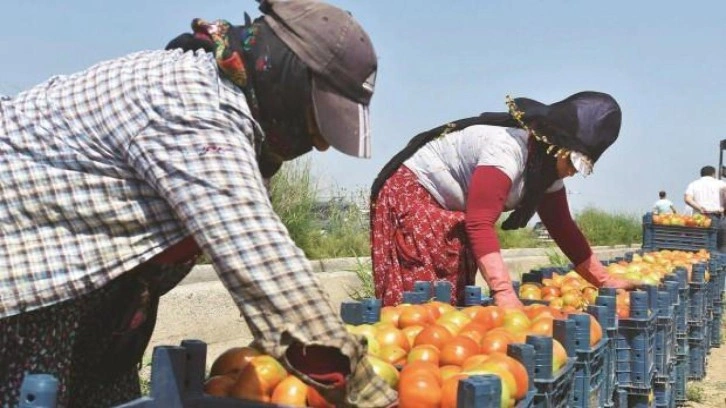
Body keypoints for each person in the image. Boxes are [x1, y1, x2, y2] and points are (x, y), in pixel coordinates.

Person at [0, 1, 395, 407]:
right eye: (317, 121)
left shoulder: (234, 116)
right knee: (36, 391)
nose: (322, 144)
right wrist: (369, 393)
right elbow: (259, 258)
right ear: (285, 76)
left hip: (96, 291)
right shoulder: (189, 104)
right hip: (26, 277)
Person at [370, 91, 639, 307]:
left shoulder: (544, 173)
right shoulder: (506, 150)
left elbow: (563, 228)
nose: (571, 172)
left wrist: (603, 280)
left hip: (447, 207)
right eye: (571, 162)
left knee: (448, 296)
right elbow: (480, 223)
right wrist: (503, 291)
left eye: (579, 167)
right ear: (555, 145)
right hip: (414, 193)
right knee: (421, 298)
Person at [684, 165, 726, 251]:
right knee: (720, 246)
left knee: (700, 245)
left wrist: (699, 208)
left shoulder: (693, 184)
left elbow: (687, 199)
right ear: (713, 174)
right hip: (717, 216)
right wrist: (723, 207)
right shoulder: (721, 184)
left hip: (699, 218)